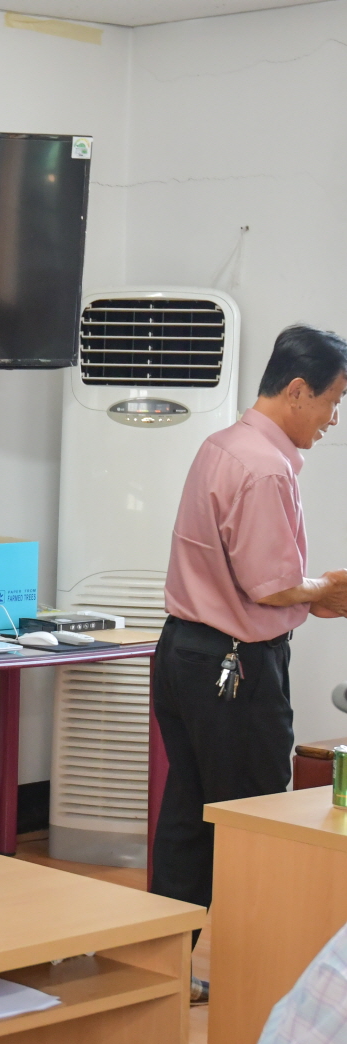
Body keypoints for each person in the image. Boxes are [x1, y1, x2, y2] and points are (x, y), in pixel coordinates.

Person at [154, 324, 347, 1001]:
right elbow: (270, 585)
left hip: (182, 653)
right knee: (258, 824)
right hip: (233, 670)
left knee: (188, 815)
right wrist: (326, 590)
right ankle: (254, 985)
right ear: (296, 391)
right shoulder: (265, 467)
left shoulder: (221, 444)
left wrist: (308, 594)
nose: (332, 419)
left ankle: (165, 974)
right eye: (332, 402)